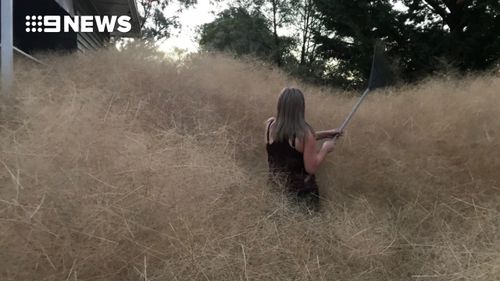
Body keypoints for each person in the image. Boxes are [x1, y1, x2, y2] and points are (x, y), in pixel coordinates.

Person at [265, 87, 342, 210]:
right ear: (300, 108)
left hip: (276, 191)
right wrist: (325, 148)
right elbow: (311, 167)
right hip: (302, 195)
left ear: (280, 105)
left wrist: (326, 133)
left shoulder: (271, 125)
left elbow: (287, 139)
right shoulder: (305, 133)